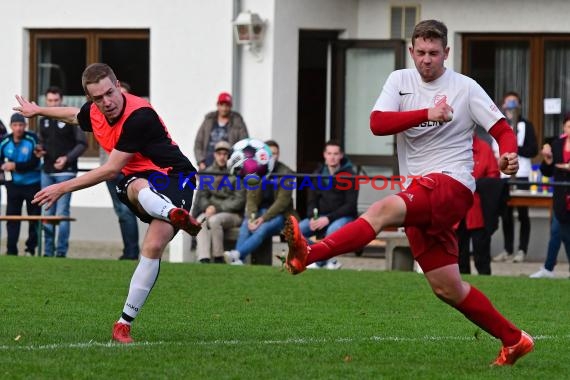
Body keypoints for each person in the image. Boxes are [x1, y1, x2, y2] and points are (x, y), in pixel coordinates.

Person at [282, 20, 533, 366]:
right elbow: (377, 123)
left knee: (382, 210)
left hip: (452, 184)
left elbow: (502, 129)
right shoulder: (399, 81)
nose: (426, 60)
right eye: (420, 53)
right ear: (411, 51)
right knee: (447, 287)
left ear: (446, 53)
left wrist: (509, 154)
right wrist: (427, 113)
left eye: (434, 53)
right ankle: (514, 339)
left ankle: (308, 254)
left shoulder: (465, 88)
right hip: (417, 191)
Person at [13, 62, 202, 344]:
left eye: (110, 93)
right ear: (91, 99)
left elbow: (111, 169)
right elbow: (75, 116)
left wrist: (62, 187)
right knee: (137, 189)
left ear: (117, 85)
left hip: (176, 176)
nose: (107, 102)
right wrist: (38, 110)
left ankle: (122, 324)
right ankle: (172, 214)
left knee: (151, 241)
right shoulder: (95, 110)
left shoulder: (139, 116)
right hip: (141, 179)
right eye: (98, 98)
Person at [224, 140, 296, 265]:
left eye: (275, 153)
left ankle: (237, 254)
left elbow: (282, 203)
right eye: (270, 154)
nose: (273, 157)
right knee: (246, 225)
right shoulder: (257, 170)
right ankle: (237, 260)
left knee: (261, 229)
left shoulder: (286, 173)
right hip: (259, 213)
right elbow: (251, 198)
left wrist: (262, 219)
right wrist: (252, 217)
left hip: (281, 216)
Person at [36, 86, 87, 258]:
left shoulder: (70, 118)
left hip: (66, 172)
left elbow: (82, 143)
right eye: (49, 101)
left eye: (55, 100)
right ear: (46, 101)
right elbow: (42, 142)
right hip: (47, 171)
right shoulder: (43, 120)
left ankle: (60, 252)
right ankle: (47, 252)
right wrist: (39, 150)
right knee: (47, 213)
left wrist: (67, 158)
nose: (52, 104)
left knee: (61, 213)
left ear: (61, 100)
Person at [492, 91, 538, 263]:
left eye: (514, 102)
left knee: (523, 213)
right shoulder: (498, 125)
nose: (511, 106)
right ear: (503, 106)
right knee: (506, 214)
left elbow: (533, 150)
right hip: (504, 176)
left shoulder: (526, 125)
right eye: (508, 102)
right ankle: (507, 249)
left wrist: (515, 146)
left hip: (523, 174)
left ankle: (522, 250)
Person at [300, 140, 358, 270]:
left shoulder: (350, 175)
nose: (332, 157)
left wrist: (328, 219)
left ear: (341, 155)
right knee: (295, 231)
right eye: (329, 153)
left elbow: (350, 205)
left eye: (336, 154)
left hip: (344, 217)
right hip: (320, 216)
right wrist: (311, 217)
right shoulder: (317, 174)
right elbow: (311, 200)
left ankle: (318, 261)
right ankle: (329, 261)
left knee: (332, 230)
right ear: (324, 155)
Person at [99, 81, 140, 260]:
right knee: (122, 213)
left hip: (129, 171)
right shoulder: (106, 119)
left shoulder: (134, 118)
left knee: (127, 212)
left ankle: (132, 253)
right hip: (111, 172)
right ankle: (128, 251)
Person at [192, 140, 245, 263]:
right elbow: (202, 196)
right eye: (219, 153)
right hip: (212, 211)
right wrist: (208, 206)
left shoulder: (236, 173)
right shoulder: (208, 172)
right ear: (215, 155)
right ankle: (204, 258)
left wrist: (217, 208)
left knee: (214, 220)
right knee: (200, 220)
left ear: (229, 156)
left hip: (233, 214)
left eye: (225, 154)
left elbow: (239, 200)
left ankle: (218, 257)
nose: (222, 157)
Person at [530, 115, 570, 278]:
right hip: (561, 195)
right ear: (563, 128)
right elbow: (547, 171)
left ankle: (548, 268)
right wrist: (547, 160)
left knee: (562, 232)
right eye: (568, 126)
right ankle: (548, 269)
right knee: (558, 231)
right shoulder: (557, 144)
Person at [457, 135, 501, 275]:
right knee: (459, 257)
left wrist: (476, 184)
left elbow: (494, 176)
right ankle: (461, 292)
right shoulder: (451, 147)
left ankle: (486, 288)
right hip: (455, 212)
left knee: (481, 257)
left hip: (478, 210)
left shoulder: (484, 148)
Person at [0, 113, 42, 256]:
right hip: (13, 185)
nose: (18, 128)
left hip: (33, 183)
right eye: (15, 125)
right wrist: (4, 169)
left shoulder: (32, 139)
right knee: (12, 218)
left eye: (21, 125)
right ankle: (11, 250)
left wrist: (15, 165)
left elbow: (35, 162)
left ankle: (30, 249)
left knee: (34, 218)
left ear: (25, 126)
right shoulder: (4, 141)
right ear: (11, 126)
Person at [194, 92, 249, 170]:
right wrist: (200, 161)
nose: (224, 108)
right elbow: (198, 143)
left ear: (231, 106)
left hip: (230, 166)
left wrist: (237, 163)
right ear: (217, 105)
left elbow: (244, 144)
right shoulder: (208, 121)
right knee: (207, 182)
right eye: (222, 105)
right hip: (207, 165)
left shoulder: (238, 122)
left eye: (227, 105)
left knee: (229, 182)